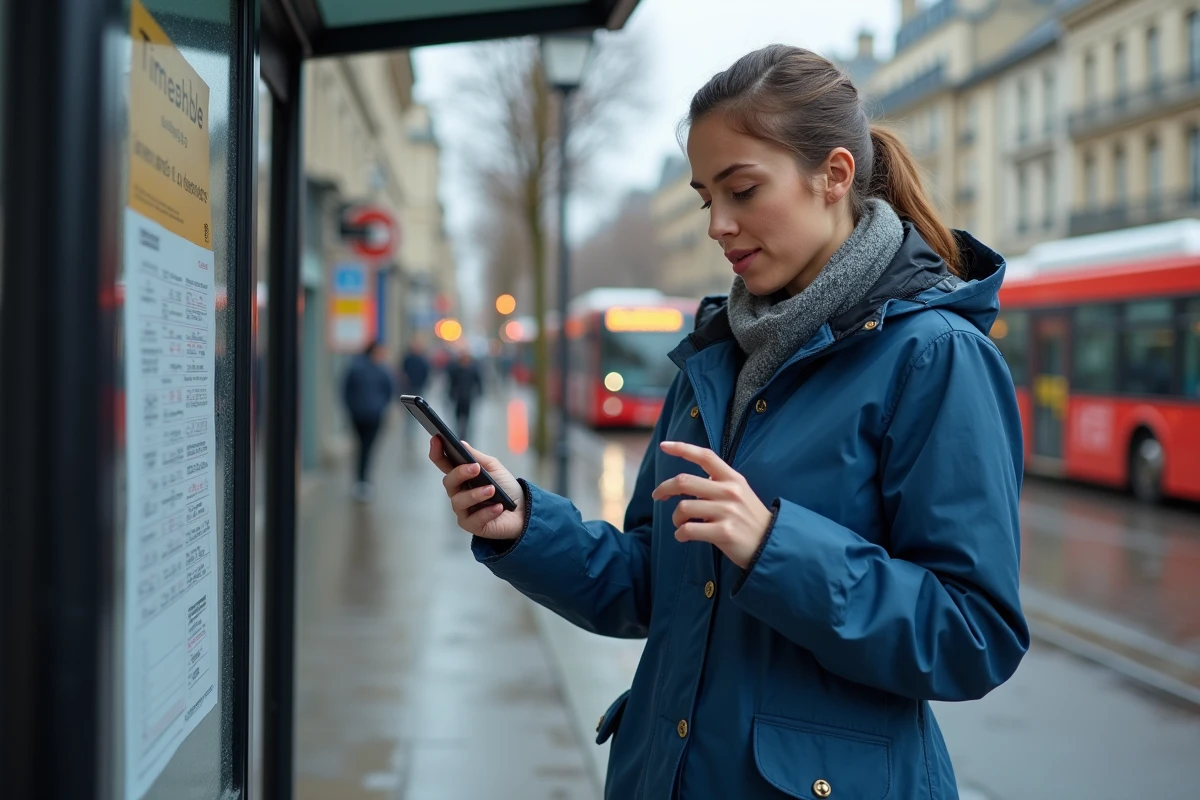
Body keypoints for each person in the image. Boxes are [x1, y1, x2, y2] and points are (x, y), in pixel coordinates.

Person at [431, 45, 1028, 800]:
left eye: (742, 190)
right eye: (704, 196)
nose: (718, 224)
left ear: (834, 175)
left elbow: (973, 636)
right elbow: (650, 586)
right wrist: (523, 526)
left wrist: (776, 548)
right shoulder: (714, 355)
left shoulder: (936, 357)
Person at [342, 340, 394, 500]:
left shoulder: (381, 370)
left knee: (367, 448)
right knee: (363, 448)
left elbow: (389, 390)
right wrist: (352, 408)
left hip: (373, 415)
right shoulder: (359, 368)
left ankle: (363, 480)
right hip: (360, 415)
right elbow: (346, 390)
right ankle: (361, 480)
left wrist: (380, 407)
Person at [399, 337, 432, 443]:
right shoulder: (408, 358)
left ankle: (412, 428)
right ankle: (409, 429)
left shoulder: (422, 359)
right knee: (409, 409)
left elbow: (426, 372)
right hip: (409, 387)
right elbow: (402, 371)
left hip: (418, 387)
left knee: (417, 409)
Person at [445, 349, 483, 439]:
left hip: (468, 397)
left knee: (467, 417)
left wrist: (479, 392)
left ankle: (465, 434)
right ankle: (460, 433)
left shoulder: (472, 369)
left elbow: (478, 381)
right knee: (458, 417)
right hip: (458, 397)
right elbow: (451, 382)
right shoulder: (456, 369)